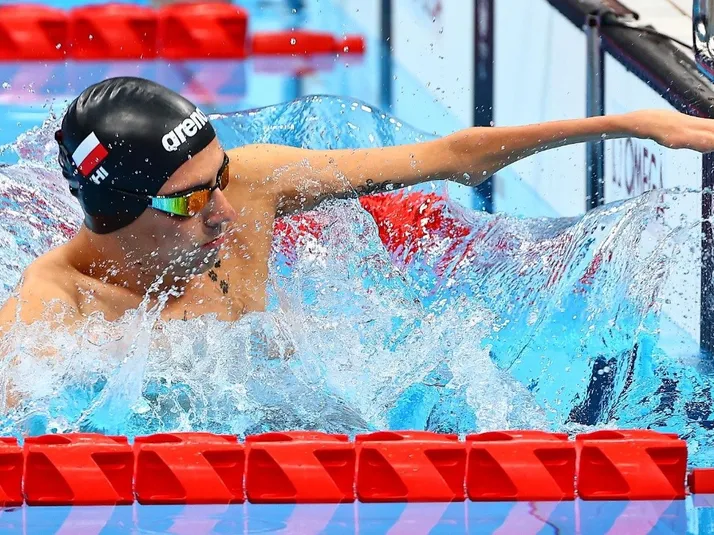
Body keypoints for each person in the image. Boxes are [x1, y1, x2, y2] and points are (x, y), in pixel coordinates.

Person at [1, 76, 714, 333]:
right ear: (120, 209)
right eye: (192, 200)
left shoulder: (254, 183)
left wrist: (630, 123)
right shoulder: (50, 312)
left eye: (221, 177)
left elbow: (453, 157)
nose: (225, 210)